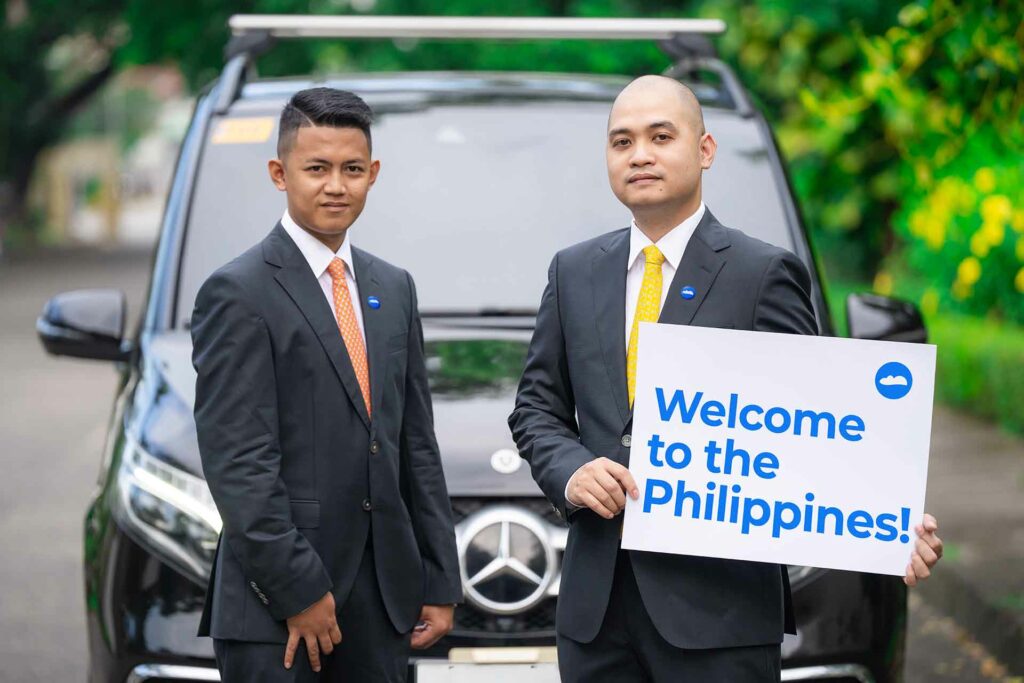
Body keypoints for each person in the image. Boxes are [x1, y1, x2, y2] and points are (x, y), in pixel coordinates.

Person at [508, 75, 943, 682]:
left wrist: (885, 522)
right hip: (596, 615)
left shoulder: (764, 273)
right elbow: (536, 410)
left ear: (705, 150)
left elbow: (815, 426)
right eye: (622, 141)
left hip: (721, 616)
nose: (640, 154)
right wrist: (571, 469)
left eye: (661, 136)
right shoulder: (574, 270)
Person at [191, 87, 461, 682]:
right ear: (279, 173)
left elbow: (414, 443)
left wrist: (439, 578)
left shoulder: (393, 288)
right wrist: (297, 590)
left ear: (374, 174)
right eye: (316, 168)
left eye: (352, 169)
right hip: (276, 607)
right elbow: (238, 462)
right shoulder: (238, 292)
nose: (335, 185)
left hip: (381, 601)